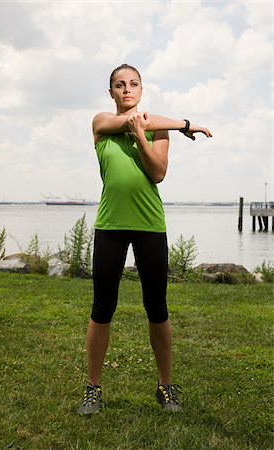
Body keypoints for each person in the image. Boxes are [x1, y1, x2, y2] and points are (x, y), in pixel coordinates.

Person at [78, 64, 212, 415]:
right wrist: (184, 123)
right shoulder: (101, 124)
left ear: (142, 89)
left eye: (133, 84)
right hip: (110, 225)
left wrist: (142, 135)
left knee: (157, 308)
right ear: (111, 92)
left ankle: (165, 387)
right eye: (119, 85)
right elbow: (131, 121)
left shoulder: (158, 131)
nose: (127, 89)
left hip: (150, 225)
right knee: (102, 308)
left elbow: (158, 173)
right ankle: (93, 389)